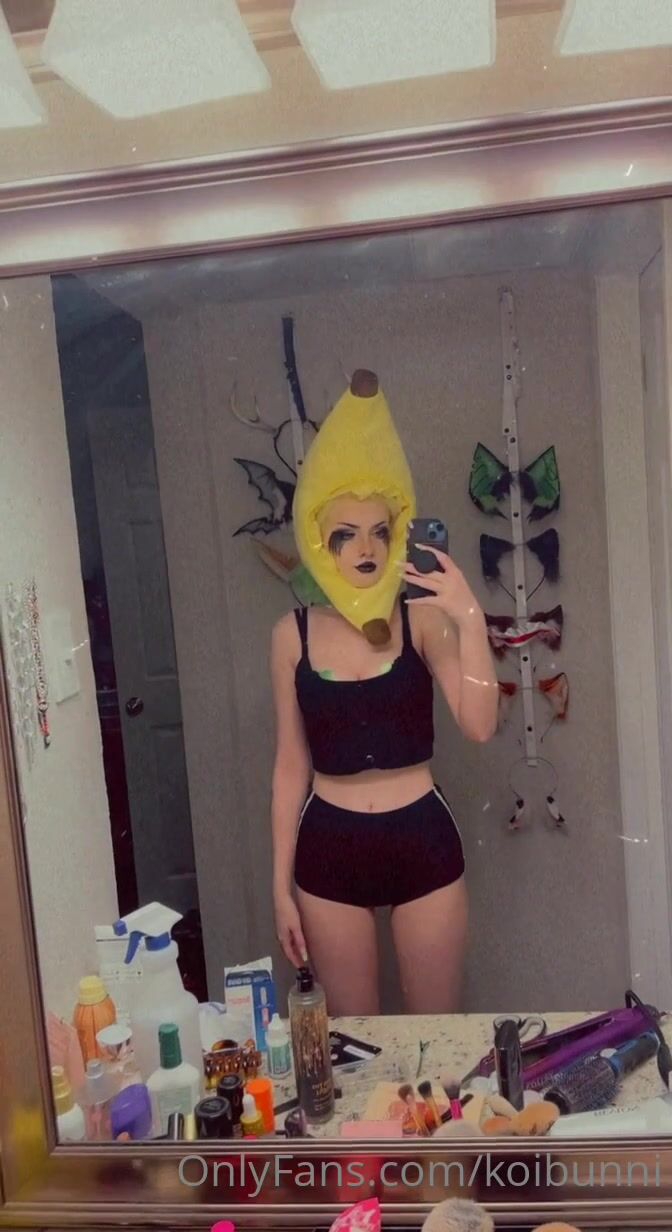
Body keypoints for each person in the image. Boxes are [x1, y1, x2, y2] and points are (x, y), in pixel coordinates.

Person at [270, 370, 497, 1015]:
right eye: (346, 533)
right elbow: (290, 765)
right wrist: (279, 887)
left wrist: (469, 616)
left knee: (437, 1035)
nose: (365, 548)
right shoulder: (291, 635)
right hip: (328, 845)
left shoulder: (421, 620)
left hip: (421, 835)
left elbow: (480, 726)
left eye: (380, 530)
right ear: (320, 542)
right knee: (357, 1047)